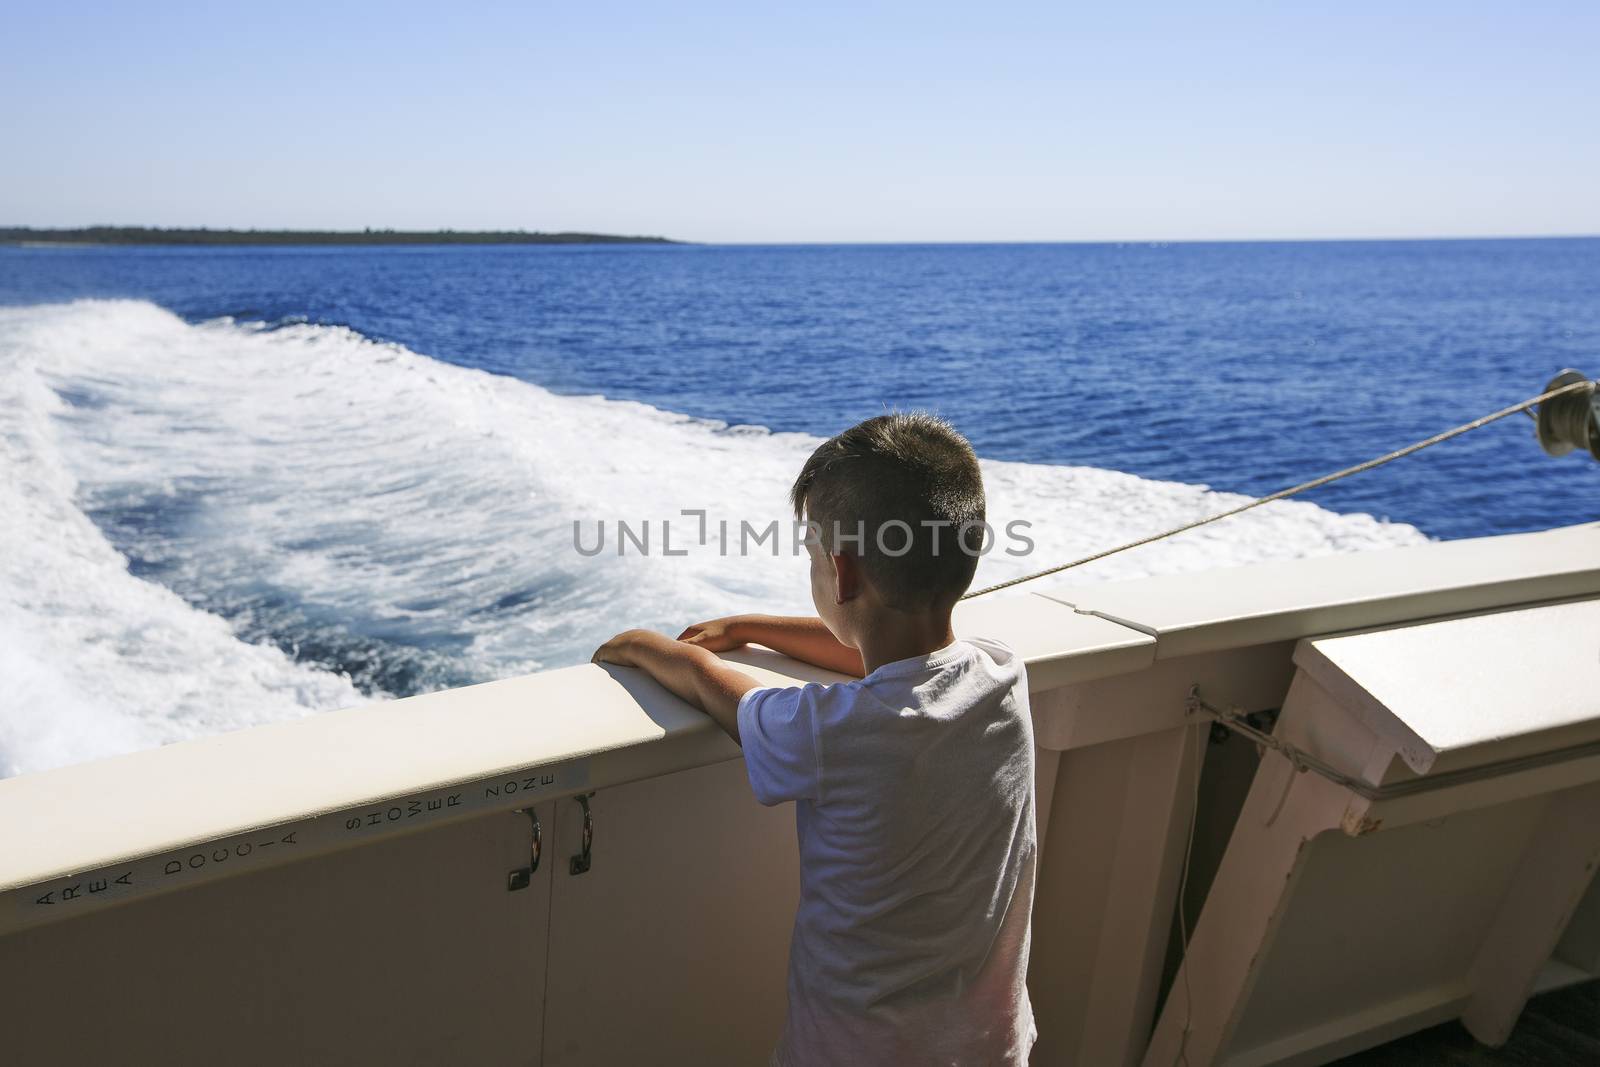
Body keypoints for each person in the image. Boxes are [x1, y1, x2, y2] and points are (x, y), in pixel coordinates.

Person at [592, 413, 1037, 1066]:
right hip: (989, 1048)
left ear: (841, 571)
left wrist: (641, 644)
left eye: (809, 553)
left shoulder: (833, 732)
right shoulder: (1003, 672)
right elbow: (888, 657)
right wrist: (750, 625)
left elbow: (715, 688)